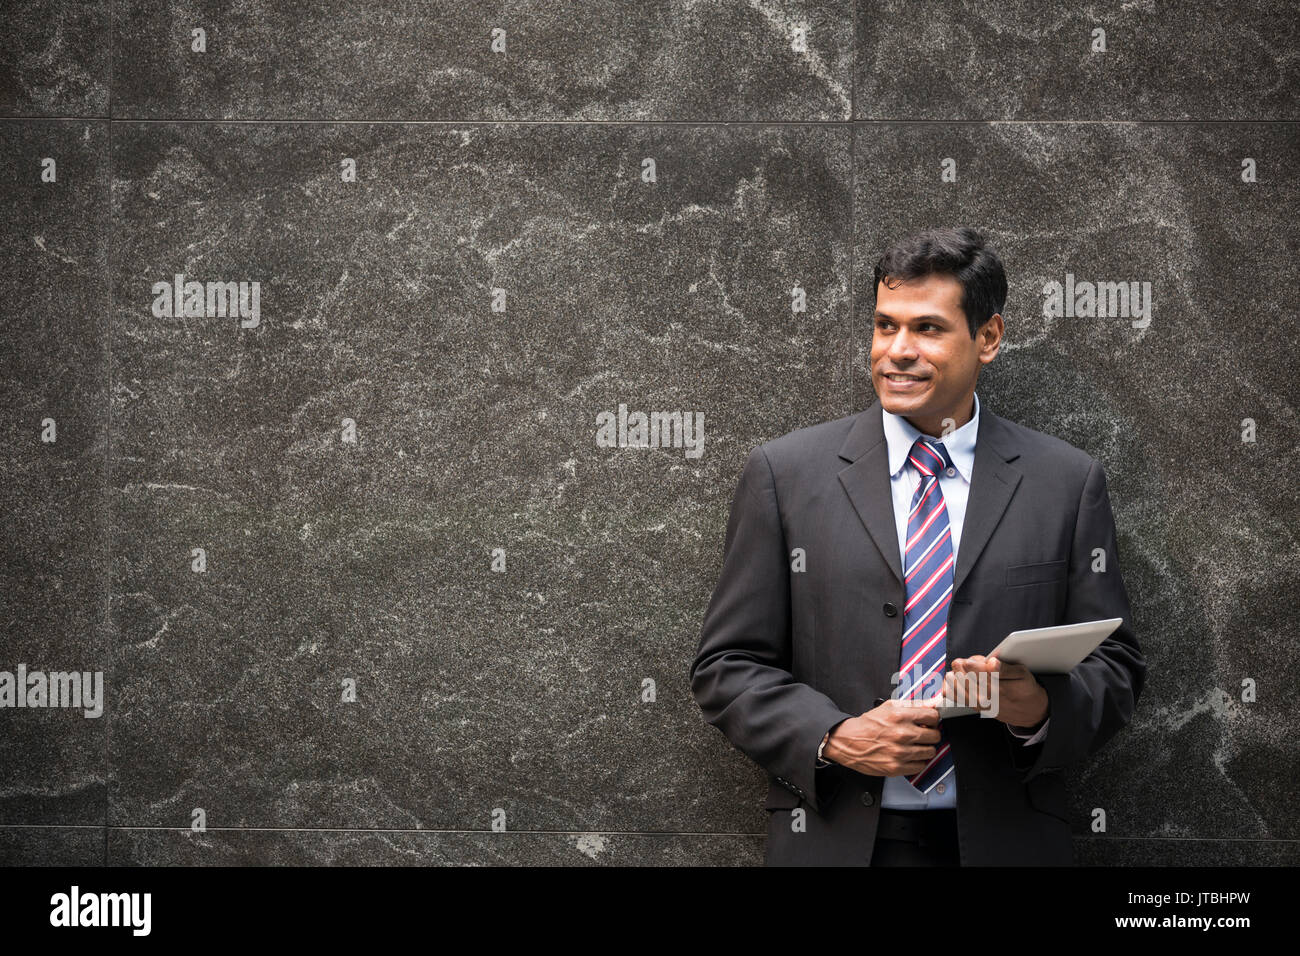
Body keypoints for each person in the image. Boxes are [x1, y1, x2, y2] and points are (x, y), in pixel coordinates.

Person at [689, 226, 1145, 866]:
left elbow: (1116, 667)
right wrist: (835, 737)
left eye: (927, 329)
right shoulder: (785, 475)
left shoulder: (1065, 484)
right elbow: (727, 664)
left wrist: (1036, 707)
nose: (897, 351)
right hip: (837, 840)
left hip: (1005, 843)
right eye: (884, 326)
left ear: (988, 338)